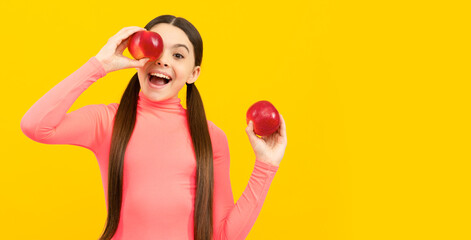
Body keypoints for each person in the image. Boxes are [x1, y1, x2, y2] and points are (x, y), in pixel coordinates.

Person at [20, 15, 287, 240]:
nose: (162, 60)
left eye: (178, 54)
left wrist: (265, 165)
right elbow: (35, 125)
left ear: (193, 74)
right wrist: (100, 65)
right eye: (156, 50)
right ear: (138, 55)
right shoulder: (108, 121)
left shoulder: (211, 137)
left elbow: (225, 235)